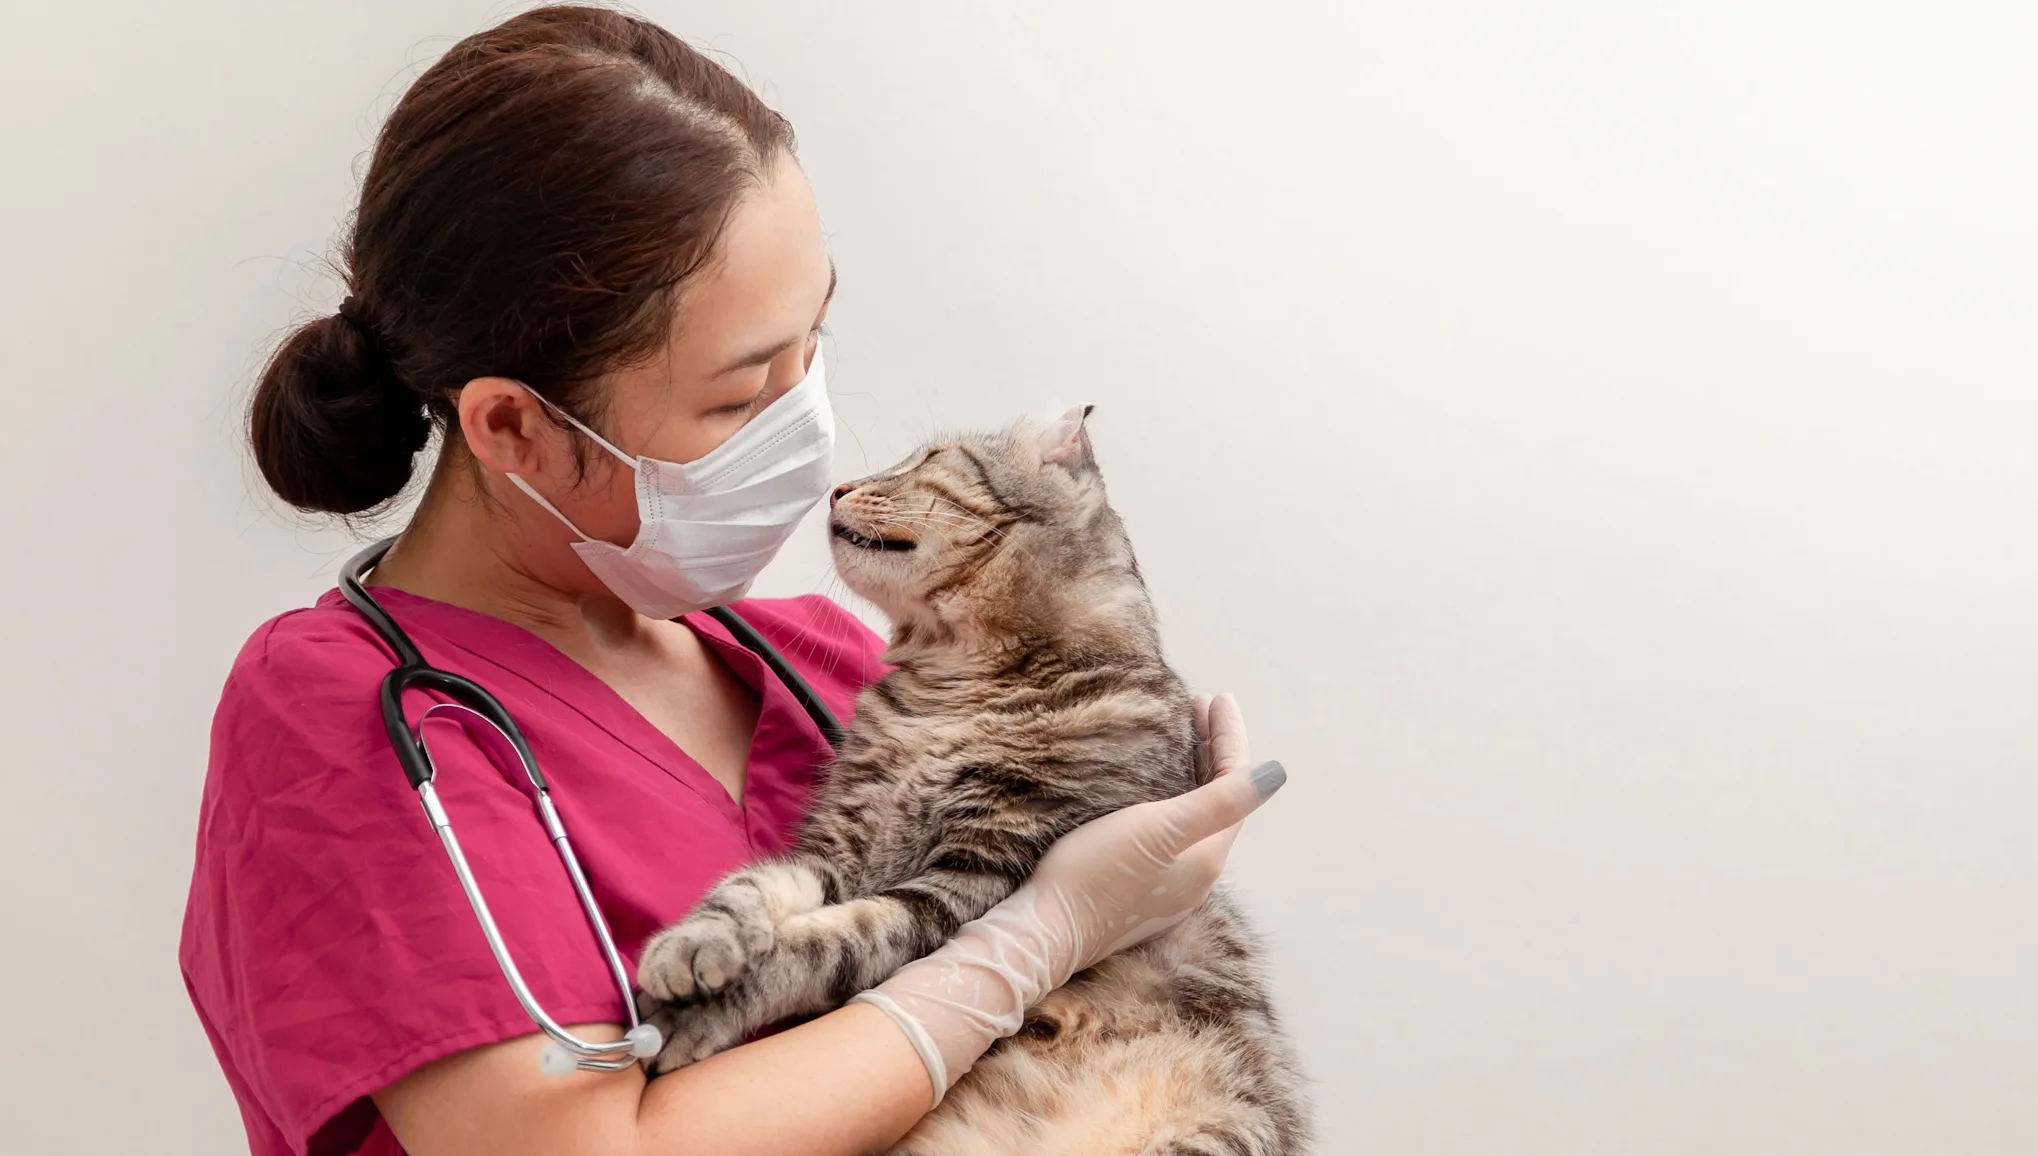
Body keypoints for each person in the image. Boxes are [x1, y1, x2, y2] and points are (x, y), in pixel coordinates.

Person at [177, 8, 1282, 1156]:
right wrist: (1035, 938)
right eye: (741, 393)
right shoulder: (341, 717)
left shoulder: (828, 665)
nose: (810, 429)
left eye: (814, 341)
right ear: (515, 427)